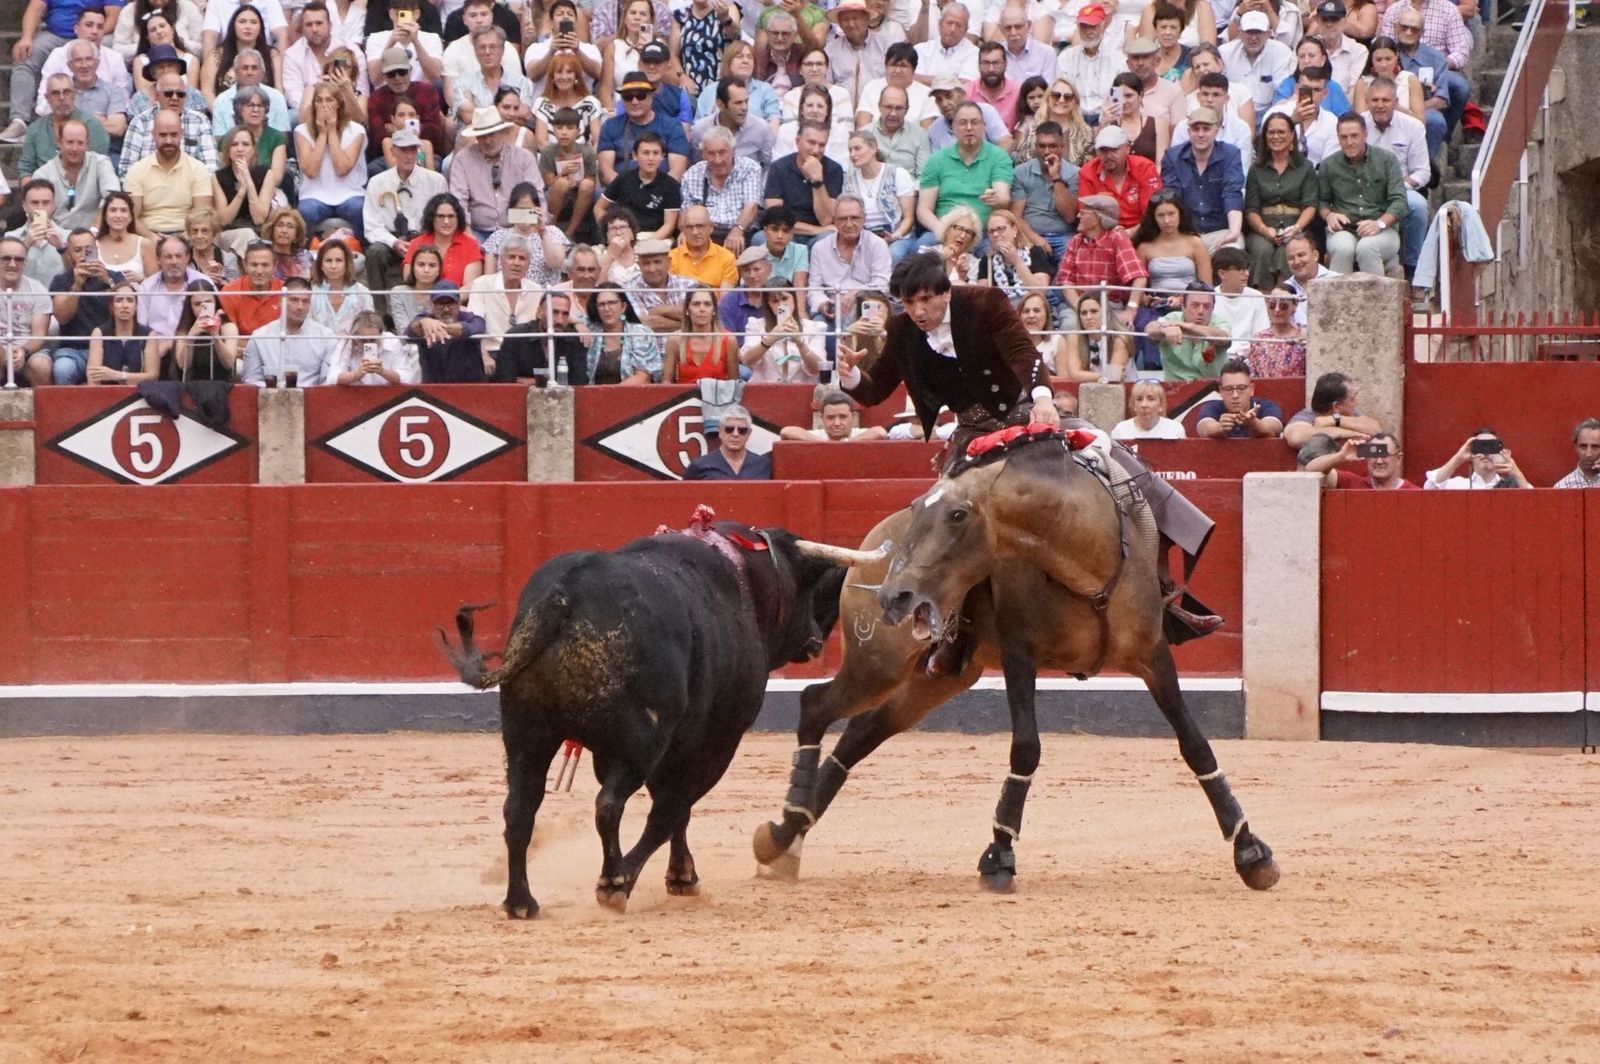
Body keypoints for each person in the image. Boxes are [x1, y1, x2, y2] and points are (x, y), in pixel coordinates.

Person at [835, 252, 1061, 465]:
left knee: (1090, 449)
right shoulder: (902, 329)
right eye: (909, 302)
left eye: (925, 299)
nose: (918, 311)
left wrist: (1042, 399)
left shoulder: (985, 302)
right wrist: (851, 374)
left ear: (947, 293)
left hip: (1021, 412)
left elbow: (1021, 351)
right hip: (971, 430)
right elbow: (876, 390)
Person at [362, 128, 447, 309]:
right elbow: (372, 226)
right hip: (390, 240)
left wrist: (420, 241)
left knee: (433, 250)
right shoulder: (377, 182)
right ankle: (381, 312)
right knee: (375, 252)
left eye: (413, 150)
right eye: (403, 150)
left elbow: (442, 218)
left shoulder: (436, 181)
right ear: (393, 151)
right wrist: (394, 242)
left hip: (424, 237)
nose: (409, 155)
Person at [913, 100, 1013, 252]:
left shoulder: (998, 156)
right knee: (918, 251)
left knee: (996, 254)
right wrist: (944, 230)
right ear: (953, 128)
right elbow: (924, 209)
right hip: (943, 230)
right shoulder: (936, 160)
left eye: (975, 122)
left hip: (982, 234)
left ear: (984, 126)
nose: (969, 128)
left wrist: (998, 198)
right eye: (962, 123)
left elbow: (1003, 195)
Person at [1361, 77, 1430, 289]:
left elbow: (1422, 172)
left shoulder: (1413, 126)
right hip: (1364, 188)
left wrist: (1398, 186)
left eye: (1385, 100)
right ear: (1367, 101)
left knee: (1418, 206)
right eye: (1374, 100)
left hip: (1401, 187)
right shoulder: (1357, 124)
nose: (1380, 105)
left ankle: (1413, 269)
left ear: (1395, 101)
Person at [1317, 112, 1406, 276]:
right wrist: (1329, 215)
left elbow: (1399, 202)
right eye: (1343, 137)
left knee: (1367, 248)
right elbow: (1322, 200)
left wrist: (1379, 224)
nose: (1349, 142)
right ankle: (1339, 299)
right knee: (1342, 248)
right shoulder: (1328, 165)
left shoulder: (1387, 160)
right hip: (1344, 228)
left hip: (1382, 229)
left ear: (1365, 134)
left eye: (1354, 136)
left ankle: (1377, 299)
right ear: (1338, 138)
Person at [1244, 112, 1318, 290]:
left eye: (1281, 132)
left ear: (1292, 135)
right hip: (1264, 228)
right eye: (1271, 132)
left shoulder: (1305, 167)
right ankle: (1264, 301)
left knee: (1289, 248)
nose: (1276, 137)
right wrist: (1264, 230)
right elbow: (1251, 209)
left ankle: (1288, 298)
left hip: (1296, 226)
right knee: (1262, 250)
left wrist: (1296, 229)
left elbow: (1310, 205)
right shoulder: (1256, 169)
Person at [1055, 194, 1149, 330]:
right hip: (1079, 304)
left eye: (1083, 213)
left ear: (1097, 219)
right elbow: (1065, 281)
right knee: (1070, 325)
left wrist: (1131, 310)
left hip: (1110, 306)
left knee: (1123, 328)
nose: (1078, 217)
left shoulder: (1117, 238)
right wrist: (1082, 310)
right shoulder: (1076, 240)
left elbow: (1139, 277)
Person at [1160, 107, 1243, 252]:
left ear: (1216, 131)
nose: (1200, 134)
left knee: (1232, 251)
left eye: (1206, 129)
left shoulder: (1231, 154)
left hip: (1219, 231)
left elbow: (1232, 193)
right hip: (1185, 233)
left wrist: (1234, 232)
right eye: (1195, 129)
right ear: (1188, 132)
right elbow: (1172, 199)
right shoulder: (1172, 157)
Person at [805, 195, 891, 334]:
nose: (849, 224)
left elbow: (882, 284)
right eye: (842, 219)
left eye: (854, 218)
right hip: (833, 313)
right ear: (835, 221)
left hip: (867, 308)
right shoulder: (820, 248)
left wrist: (856, 294)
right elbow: (814, 289)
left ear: (864, 219)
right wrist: (824, 305)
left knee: (874, 316)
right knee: (818, 326)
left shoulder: (877, 245)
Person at [45, 227, 118, 384]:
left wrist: (108, 283)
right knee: (62, 370)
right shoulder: (61, 281)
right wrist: (77, 286)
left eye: (89, 249)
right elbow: (62, 317)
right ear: (69, 254)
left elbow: (126, 310)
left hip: (110, 349)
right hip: (74, 350)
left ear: (97, 250)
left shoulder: (114, 277)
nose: (84, 255)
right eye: (78, 250)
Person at [125, 111, 214, 238]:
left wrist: (182, 239)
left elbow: (202, 215)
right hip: (148, 235)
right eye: (162, 135)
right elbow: (132, 217)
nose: (168, 140)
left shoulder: (198, 169)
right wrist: (153, 238)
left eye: (174, 135)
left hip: (188, 236)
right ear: (153, 135)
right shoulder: (137, 170)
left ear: (182, 134)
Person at [292, 82, 368, 230]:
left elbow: (342, 169)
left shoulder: (356, 130)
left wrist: (331, 131)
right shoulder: (301, 131)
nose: (324, 105)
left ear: (339, 104)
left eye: (329, 100)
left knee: (359, 209)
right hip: (314, 196)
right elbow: (311, 171)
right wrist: (322, 133)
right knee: (305, 212)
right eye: (319, 100)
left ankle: (367, 249)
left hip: (349, 194)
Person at [119, 67, 218, 178]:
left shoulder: (200, 121)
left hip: (190, 188)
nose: (175, 98)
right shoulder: (140, 122)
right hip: (148, 188)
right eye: (168, 93)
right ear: (157, 95)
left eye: (180, 94)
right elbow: (126, 170)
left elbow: (211, 167)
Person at [597, 71, 691, 185]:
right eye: (628, 97)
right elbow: (607, 171)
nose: (634, 102)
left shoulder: (672, 125)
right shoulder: (610, 126)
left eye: (641, 96)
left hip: (662, 191)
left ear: (651, 97)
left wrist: (654, 194)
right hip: (621, 191)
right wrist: (629, 192)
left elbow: (677, 171)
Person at [242, 277, 339, 385]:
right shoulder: (259, 337)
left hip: (312, 399)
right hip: (269, 398)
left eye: (305, 301)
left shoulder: (326, 337)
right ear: (281, 301)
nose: (300, 307)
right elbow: (250, 380)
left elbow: (328, 381)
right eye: (294, 300)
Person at [679, 125, 763, 250]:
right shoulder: (693, 174)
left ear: (733, 151)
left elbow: (751, 207)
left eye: (722, 152)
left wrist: (738, 230)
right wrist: (686, 232)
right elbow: (686, 213)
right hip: (705, 233)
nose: (718, 160)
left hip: (740, 230)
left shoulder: (749, 168)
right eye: (711, 154)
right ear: (703, 154)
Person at [1009, 120, 1079, 264]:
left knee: (1071, 258)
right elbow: (1016, 217)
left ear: (1062, 146)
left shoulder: (1075, 174)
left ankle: (1055, 287)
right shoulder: (1021, 172)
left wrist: (1056, 178)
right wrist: (1035, 239)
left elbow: (1070, 216)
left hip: (1064, 236)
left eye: (1052, 146)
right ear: (1035, 147)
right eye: (1042, 146)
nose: (1046, 151)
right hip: (1030, 235)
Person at [18, 74, 111, 180]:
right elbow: (26, 170)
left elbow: (101, 167)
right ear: (47, 98)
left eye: (66, 92)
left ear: (74, 94)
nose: (61, 98)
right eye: (55, 93)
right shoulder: (35, 129)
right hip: (45, 189)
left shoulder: (92, 125)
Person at [466, 233, 541, 364]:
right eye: (511, 257)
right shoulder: (481, 285)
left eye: (522, 258)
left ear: (528, 264)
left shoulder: (536, 290)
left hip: (525, 355)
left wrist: (577, 323)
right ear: (501, 260)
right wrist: (483, 355)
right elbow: (474, 325)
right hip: (491, 352)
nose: (517, 263)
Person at [31, 120, 118, 232]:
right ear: (59, 142)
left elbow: (113, 196)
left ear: (88, 144)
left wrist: (96, 226)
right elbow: (39, 213)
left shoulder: (100, 163)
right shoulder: (42, 174)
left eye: (80, 143)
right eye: (70, 142)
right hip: (55, 235)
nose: (75, 149)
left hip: (93, 233)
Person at [764, 121, 844, 245]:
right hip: (786, 232)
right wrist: (816, 230)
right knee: (761, 238)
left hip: (818, 235)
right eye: (811, 143)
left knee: (829, 237)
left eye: (822, 145)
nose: (816, 150)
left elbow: (826, 220)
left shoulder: (834, 170)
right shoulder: (778, 168)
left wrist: (817, 181)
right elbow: (774, 218)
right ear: (797, 141)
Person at [369, 47, 449, 162]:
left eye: (402, 72)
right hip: (390, 155)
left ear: (410, 70)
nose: (397, 78)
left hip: (423, 152)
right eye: (391, 74)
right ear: (384, 75)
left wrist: (396, 130)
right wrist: (416, 128)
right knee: (373, 169)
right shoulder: (376, 97)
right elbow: (377, 137)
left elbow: (434, 134)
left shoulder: (427, 91)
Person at [596, 131, 681, 240]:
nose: (651, 158)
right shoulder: (623, 179)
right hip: (624, 235)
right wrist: (611, 231)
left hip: (656, 237)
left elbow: (669, 225)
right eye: (646, 153)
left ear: (662, 156)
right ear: (635, 155)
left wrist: (646, 244)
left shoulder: (670, 185)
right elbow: (599, 207)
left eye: (655, 153)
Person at [1077, 124, 1161, 233]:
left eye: (1114, 150)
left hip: (1143, 232)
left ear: (1127, 149)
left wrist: (1129, 233)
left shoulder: (1144, 168)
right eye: (1103, 150)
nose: (1108, 156)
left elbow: (1153, 214)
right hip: (1103, 234)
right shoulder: (1088, 172)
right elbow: (1087, 215)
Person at [212, 127, 281, 254]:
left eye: (245, 144)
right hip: (229, 233)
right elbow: (224, 220)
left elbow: (259, 218)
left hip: (258, 231)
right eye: (234, 144)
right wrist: (242, 190)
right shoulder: (217, 177)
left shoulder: (266, 174)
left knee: (251, 235)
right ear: (228, 149)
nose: (240, 149)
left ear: (253, 149)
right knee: (246, 234)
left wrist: (248, 181)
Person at [136, 234, 210, 351]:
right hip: (156, 351)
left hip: (194, 349)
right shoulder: (147, 287)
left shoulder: (203, 283)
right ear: (159, 259)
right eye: (168, 257)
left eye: (178, 256)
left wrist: (172, 343)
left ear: (187, 258)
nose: (174, 261)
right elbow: (141, 327)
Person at [484, 182, 570, 283]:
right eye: (520, 210)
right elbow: (488, 279)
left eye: (529, 210)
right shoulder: (497, 237)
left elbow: (556, 263)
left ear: (538, 209)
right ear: (511, 210)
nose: (524, 214)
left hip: (545, 295)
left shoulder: (553, 232)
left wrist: (543, 232)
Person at [1145, 281, 1231, 381]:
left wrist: (1187, 326)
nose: (1201, 311)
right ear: (1183, 305)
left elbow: (1224, 338)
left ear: (1213, 308)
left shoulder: (1219, 322)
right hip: (1176, 389)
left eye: (1207, 306)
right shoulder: (1172, 318)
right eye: (1195, 305)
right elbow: (1150, 329)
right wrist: (1163, 329)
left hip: (1212, 389)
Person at [406, 280, 489, 382]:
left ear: (459, 303)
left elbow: (477, 328)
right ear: (431, 305)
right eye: (440, 304)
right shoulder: (424, 319)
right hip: (434, 388)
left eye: (451, 303)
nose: (446, 309)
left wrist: (440, 328)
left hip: (470, 387)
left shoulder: (472, 318)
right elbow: (409, 332)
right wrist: (423, 322)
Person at [577, 281, 659, 383]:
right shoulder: (591, 328)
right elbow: (563, 317)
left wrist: (611, 394)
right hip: (594, 395)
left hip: (631, 395)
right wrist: (577, 324)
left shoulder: (640, 333)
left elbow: (643, 377)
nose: (606, 309)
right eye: (601, 304)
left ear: (623, 307)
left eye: (612, 303)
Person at [742, 283, 825, 383]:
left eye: (785, 299)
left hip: (802, 391)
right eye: (775, 301)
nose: (781, 305)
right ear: (768, 304)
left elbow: (816, 369)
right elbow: (747, 360)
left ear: (794, 299)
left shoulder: (814, 328)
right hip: (765, 389)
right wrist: (770, 339)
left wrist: (800, 343)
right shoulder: (755, 325)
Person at [49, 38, 129, 141]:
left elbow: (117, 128)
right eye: (78, 60)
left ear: (97, 63)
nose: (84, 65)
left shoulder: (113, 90)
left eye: (89, 59)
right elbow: (56, 126)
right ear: (70, 66)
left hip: (106, 152)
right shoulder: (62, 92)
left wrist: (73, 122)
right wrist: (96, 121)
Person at [539, 107, 599, 240]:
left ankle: (570, 232)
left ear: (578, 131)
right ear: (554, 130)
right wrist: (563, 174)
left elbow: (591, 179)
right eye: (559, 128)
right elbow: (548, 182)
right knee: (561, 183)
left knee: (587, 184)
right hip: (555, 193)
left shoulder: (587, 151)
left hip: (580, 193)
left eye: (570, 128)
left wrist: (577, 181)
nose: (564, 133)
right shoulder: (548, 152)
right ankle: (550, 229)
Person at [690, 75, 776, 169]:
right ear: (720, 104)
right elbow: (696, 166)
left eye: (746, 101)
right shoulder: (700, 130)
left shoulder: (761, 129)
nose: (744, 108)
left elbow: (769, 167)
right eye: (738, 103)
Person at [0, 235, 53, 387]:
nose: (12, 264)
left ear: (25, 263)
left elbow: (39, 335)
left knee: (41, 366)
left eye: (18, 259)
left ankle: (46, 410)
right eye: (6, 258)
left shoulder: (38, 290)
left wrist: (23, 351)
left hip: (28, 349)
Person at [1219, 10, 1296, 114]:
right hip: (1232, 112)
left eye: (1258, 32)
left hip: (1269, 112)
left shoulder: (1281, 52)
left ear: (1269, 33)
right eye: (1249, 32)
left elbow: (1281, 90)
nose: (1254, 37)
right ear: (1240, 33)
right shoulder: (1225, 52)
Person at [1282, 370, 1383, 448]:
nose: (1356, 402)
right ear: (1336, 406)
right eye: (1352, 399)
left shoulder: (1349, 412)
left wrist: (1335, 420)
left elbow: (1376, 429)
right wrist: (1344, 433)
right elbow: (1296, 437)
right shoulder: (1308, 415)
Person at [1058, 3, 1120, 122]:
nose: (1088, 31)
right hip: (1074, 119)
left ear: (1102, 25)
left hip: (1107, 119)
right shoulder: (1065, 58)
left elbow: (1116, 102)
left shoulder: (1117, 59)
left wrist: (1104, 123)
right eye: (1083, 26)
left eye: (1093, 26)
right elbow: (1062, 96)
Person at [87, 281, 159, 385]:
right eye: (119, 300)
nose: (125, 306)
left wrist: (117, 375)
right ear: (111, 307)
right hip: (106, 394)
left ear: (136, 306)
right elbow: (93, 378)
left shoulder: (149, 335)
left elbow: (152, 377)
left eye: (130, 300)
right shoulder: (99, 333)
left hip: (138, 395)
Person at [1192, 358, 1285, 438]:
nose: (1235, 395)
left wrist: (1254, 423)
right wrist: (1219, 428)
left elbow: (1273, 429)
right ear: (1221, 391)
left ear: (1251, 389)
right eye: (1229, 389)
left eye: (1241, 388)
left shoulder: (1266, 406)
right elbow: (1204, 429)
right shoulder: (1212, 407)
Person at [168, 279, 241, 381]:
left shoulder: (228, 327)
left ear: (215, 303)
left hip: (221, 384)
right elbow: (182, 366)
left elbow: (229, 364)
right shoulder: (184, 330)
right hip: (192, 384)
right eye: (197, 304)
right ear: (190, 306)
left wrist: (215, 336)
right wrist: (191, 337)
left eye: (208, 302)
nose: (202, 308)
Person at [406, 193, 484, 287]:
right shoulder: (417, 243)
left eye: (451, 216)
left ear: (458, 218)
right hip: (420, 299)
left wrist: (447, 300)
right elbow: (409, 281)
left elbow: (470, 286)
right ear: (431, 218)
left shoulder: (471, 245)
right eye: (441, 216)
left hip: (458, 300)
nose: (446, 222)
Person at [662, 287, 738, 384]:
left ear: (714, 310)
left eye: (707, 304)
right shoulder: (676, 340)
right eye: (696, 304)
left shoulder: (729, 340)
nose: (702, 309)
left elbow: (734, 383)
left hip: (717, 397)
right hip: (684, 398)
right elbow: (666, 381)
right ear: (687, 310)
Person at [211, 49, 292, 139]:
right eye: (245, 68)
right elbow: (219, 141)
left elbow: (282, 137)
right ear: (236, 72)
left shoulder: (276, 97)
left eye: (254, 68)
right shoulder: (221, 101)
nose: (250, 73)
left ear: (262, 73)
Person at [363, 0, 445, 88]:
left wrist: (416, 42)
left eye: (407, 14)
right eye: (398, 14)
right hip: (387, 94)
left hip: (421, 94)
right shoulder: (376, 38)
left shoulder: (432, 38)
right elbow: (375, 79)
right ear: (391, 14)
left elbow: (435, 76)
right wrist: (390, 44)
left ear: (416, 14)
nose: (401, 19)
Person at [326, 309, 420, 385]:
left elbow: (407, 378)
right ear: (355, 335)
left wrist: (383, 372)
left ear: (381, 334)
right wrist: (355, 375)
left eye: (373, 340)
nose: (368, 343)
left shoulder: (391, 341)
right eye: (363, 340)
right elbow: (332, 378)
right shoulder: (346, 343)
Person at [978, 209, 1052, 303]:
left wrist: (1017, 261)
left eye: (1000, 229)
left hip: (1031, 307)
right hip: (1001, 309)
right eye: (991, 231)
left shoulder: (1035, 252)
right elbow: (982, 297)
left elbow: (1040, 291)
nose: (995, 234)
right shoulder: (987, 259)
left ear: (1014, 230)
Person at [684, 402, 773, 480]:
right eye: (729, 429)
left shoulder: (764, 465)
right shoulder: (700, 466)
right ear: (720, 431)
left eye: (742, 430)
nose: (735, 434)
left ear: (749, 433)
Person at [1303, 430, 1419, 489]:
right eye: (1373, 454)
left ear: (1398, 459)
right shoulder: (1351, 482)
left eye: (1385, 455)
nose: (1379, 461)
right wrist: (1340, 456)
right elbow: (1310, 471)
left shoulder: (1414, 493)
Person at [230, 86, 290, 198]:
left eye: (260, 105)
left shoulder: (276, 137)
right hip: (235, 192)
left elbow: (276, 179)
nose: (256, 110)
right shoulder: (229, 138)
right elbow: (223, 174)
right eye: (250, 105)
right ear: (239, 109)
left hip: (268, 193)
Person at [623, 237, 696, 330]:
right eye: (646, 263)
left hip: (684, 343)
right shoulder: (628, 289)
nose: (652, 269)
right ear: (639, 265)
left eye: (657, 262)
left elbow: (698, 316)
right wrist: (686, 325)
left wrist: (661, 310)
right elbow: (641, 324)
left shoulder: (688, 285)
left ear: (669, 262)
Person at [1424, 429, 1532, 490]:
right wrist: (1458, 458)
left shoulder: (1512, 486)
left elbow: (1534, 503)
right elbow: (1431, 487)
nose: (1486, 453)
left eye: (1491, 447)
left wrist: (1516, 473)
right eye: (1480, 447)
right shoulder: (1457, 485)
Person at [1208, 246, 1266, 357]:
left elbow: (1261, 337)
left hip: (1248, 357)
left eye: (1247, 269)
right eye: (1240, 270)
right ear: (1222, 273)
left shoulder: (1257, 297)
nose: (1247, 274)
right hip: (1218, 356)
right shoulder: (1210, 298)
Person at [308, 238, 374, 337]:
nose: (333, 266)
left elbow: (369, 328)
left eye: (338, 260)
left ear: (347, 264)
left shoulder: (362, 292)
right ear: (321, 265)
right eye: (328, 260)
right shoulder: (310, 293)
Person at [1063, 291, 1133, 381]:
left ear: (1106, 313)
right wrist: (1105, 375)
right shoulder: (1074, 337)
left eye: (1094, 311)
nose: (1088, 317)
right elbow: (1074, 374)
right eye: (1084, 313)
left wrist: (1084, 375)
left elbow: (1114, 379)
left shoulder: (1120, 339)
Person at [219, 239, 285, 334]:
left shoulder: (285, 291)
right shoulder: (229, 292)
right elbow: (230, 339)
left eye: (265, 265)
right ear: (244, 265)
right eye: (254, 265)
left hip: (277, 347)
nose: (259, 271)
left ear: (275, 266)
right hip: (241, 348)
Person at [868, 85, 931, 182]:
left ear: (907, 110)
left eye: (899, 108)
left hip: (909, 193)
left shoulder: (920, 135)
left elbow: (924, 177)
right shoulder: (865, 134)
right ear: (879, 106)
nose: (893, 113)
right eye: (888, 107)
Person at [1105, 71, 1168, 164]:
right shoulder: (1109, 123)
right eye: (1119, 97)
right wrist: (1103, 124)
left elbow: (1160, 164)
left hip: (1149, 176)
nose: (1123, 101)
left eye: (1128, 96)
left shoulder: (1158, 124)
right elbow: (1101, 159)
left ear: (1140, 95)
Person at [670, 207, 738, 291]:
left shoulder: (727, 258)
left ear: (711, 227)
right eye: (689, 227)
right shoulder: (671, 258)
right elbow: (671, 296)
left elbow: (725, 299)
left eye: (700, 226)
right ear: (683, 230)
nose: (695, 232)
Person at [1243, 284, 1304, 376]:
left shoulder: (1304, 337)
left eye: (1283, 305)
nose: (1277, 310)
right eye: (1272, 305)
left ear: (1295, 305)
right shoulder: (1259, 339)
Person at [95, 192, 155, 284]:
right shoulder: (94, 244)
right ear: (105, 215)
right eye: (113, 210)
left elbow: (156, 286)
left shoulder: (145, 244)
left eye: (123, 210)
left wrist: (141, 280)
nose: (118, 216)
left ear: (131, 216)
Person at [779, 390, 887, 441]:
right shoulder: (818, 436)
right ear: (822, 418)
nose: (837, 423)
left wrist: (847, 444)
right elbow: (786, 431)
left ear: (853, 417)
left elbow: (881, 432)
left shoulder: (859, 434)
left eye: (843, 417)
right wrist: (825, 444)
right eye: (830, 417)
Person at [913, 2, 978, 84]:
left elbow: (967, 84)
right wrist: (953, 81)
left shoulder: (974, 53)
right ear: (940, 24)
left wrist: (927, 80)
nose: (952, 29)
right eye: (949, 23)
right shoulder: (921, 49)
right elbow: (914, 80)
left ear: (965, 30)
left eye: (958, 25)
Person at [1282, 232, 1335, 327]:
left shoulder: (1336, 281)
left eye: (1301, 255)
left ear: (1315, 255)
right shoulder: (1284, 289)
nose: (1297, 262)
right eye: (1291, 258)